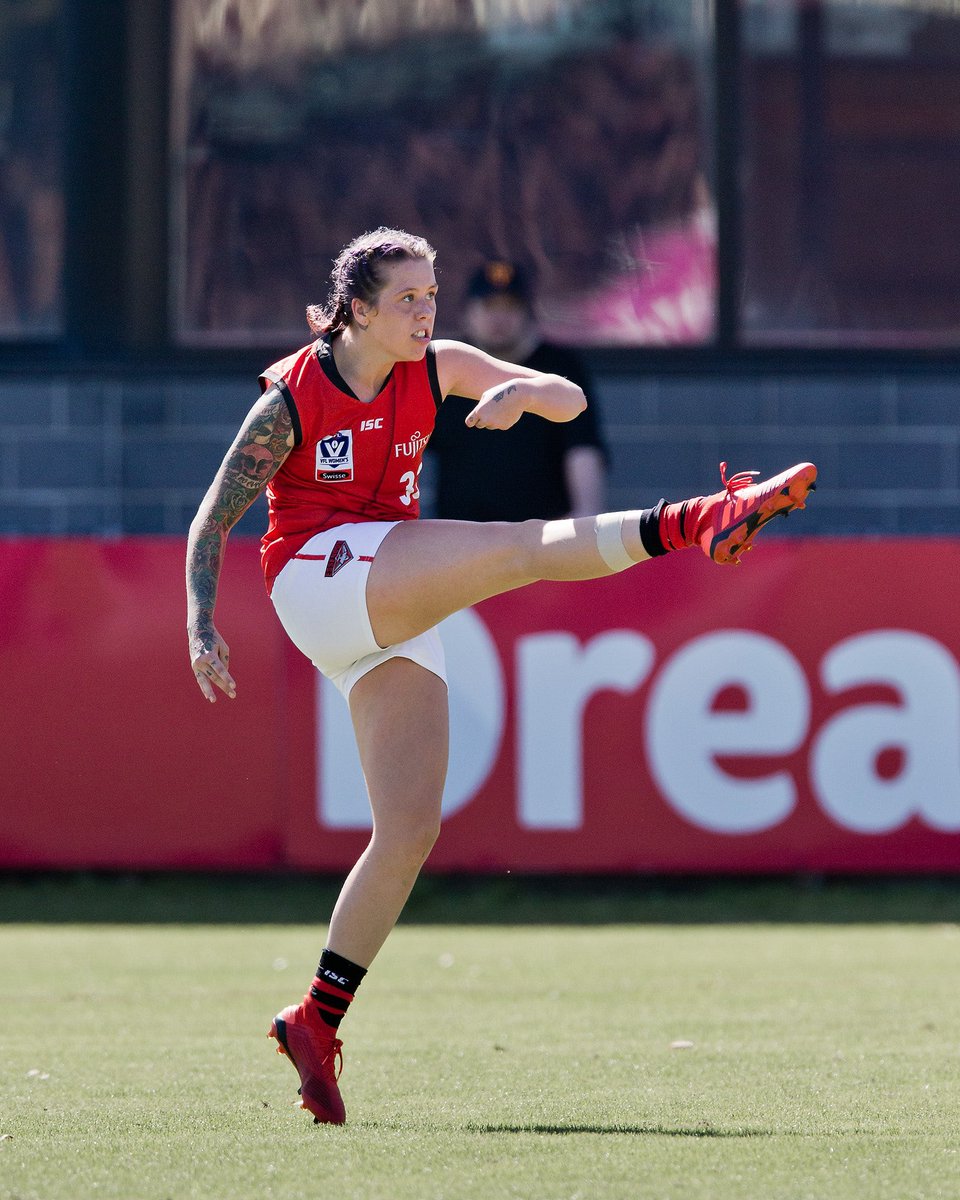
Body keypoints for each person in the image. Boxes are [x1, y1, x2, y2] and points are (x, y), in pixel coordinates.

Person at [185, 226, 817, 1127]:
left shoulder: (436, 363)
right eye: (407, 299)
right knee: (519, 547)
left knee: (408, 831)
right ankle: (704, 516)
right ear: (356, 310)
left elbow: (566, 398)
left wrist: (522, 390)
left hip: (379, 591)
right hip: (316, 576)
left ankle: (315, 1021)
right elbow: (213, 519)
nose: (426, 311)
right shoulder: (291, 398)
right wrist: (200, 622)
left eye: (431, 296)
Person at [428, 260, 607, 520]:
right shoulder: (447, 366)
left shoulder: (559, 368)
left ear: (528, 312)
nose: (499, 317)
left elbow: (583, 448)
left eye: (510, 306)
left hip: (540, 536)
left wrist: (586, 515)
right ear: (468, 312)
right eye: (489, 306)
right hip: (460, 539)